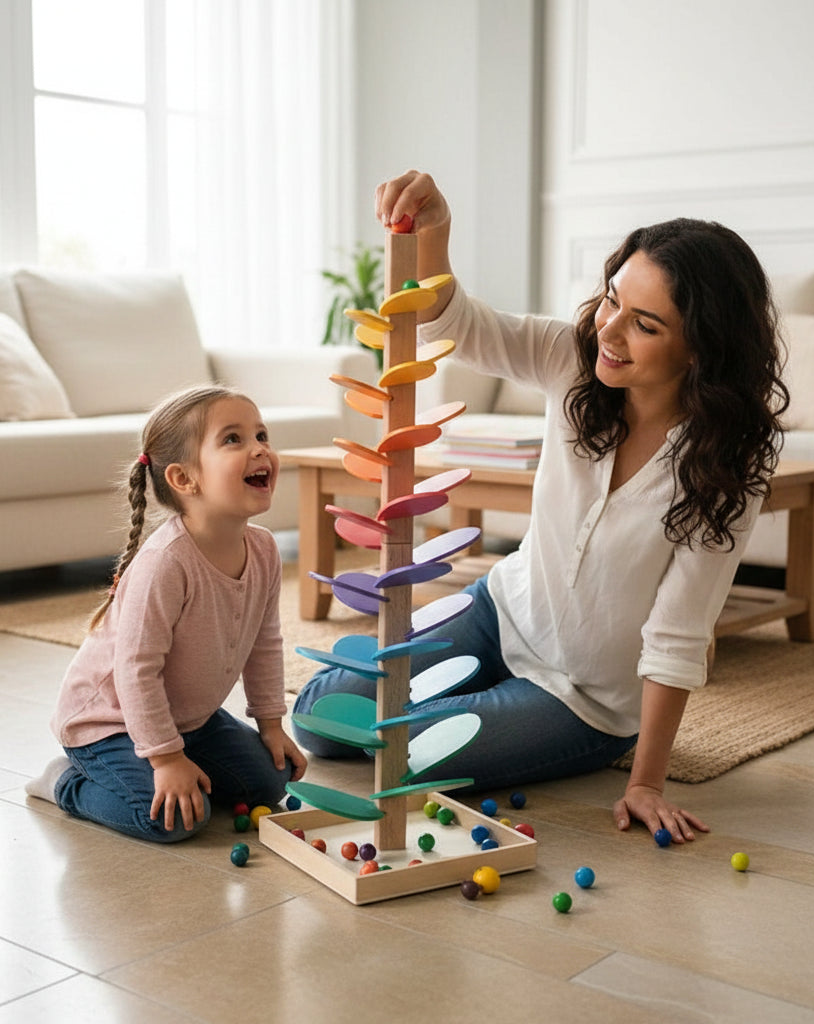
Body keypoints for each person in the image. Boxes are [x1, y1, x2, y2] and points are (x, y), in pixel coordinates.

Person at [293, 169, 788, 845]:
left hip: (581, 700)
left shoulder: (734, 461)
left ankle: (501, 723)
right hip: (500, 612)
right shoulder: (574, 359)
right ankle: (448, 698)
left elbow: (680, 632)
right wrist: (435, 233)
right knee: (320, 718)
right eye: (612, 300)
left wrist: (644, 782)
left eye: (643, 325)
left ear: (701, 348)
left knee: (409, 746)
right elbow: (460, 325)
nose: (609, 331)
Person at [26, 384, 307, 842]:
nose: (259, 449)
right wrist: (165, 759)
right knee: (172, 821)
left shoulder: (264, 549)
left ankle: (182, 764)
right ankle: (65, 782)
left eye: (261, 435)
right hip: (107, 724)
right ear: (183, 479)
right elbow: (137, 670)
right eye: (233, 439)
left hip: (189, 719)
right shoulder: (166, 562)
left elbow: (264, 641)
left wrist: (272, 726)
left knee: (268, 784)